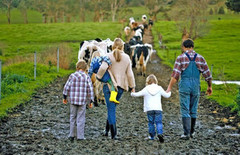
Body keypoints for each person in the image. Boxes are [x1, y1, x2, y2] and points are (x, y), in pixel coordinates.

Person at [166, 38, 212, 140]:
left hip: (185, 85)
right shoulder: (200, 58)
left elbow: (175, 76)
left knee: (185, 108)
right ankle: (192, 132)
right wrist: (209, 86)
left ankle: (186, 133)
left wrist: (169, 87)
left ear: (184, 47)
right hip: (196, 85)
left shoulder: (181, 58)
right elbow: (208, 75)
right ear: (192, 47)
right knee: (193, 108)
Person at [98, 38, 136, 139]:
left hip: (109, 87)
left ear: (113, 46)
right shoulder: (127, 58)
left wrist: (98, 77)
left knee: (111, 108)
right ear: (123, 46)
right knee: (112, 108)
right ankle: (106, 130)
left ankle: (113, 134)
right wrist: (132, 87)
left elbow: (102, 68)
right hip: (120, 88)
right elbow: (130, 74)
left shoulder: (108, 56)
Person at [131, 74, 171, 143]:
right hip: (158, 108)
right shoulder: (159, 88)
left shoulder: (146, 89)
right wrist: (169, 92)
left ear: (147, 81)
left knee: (151, 123)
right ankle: (160, 133)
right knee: (159, 122)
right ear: (155, 81)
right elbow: (167, 95)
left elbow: (137, 94)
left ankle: (152, 136)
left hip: (149, 109)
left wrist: (132, 92)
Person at [63, 60, 94, 142]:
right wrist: (90, 101)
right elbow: (90, 90)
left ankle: (71, 135)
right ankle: (80, 136)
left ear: (77, 67)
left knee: (72, 117)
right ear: (85, 68)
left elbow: (66, 87)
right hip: (82, 101)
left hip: (73, 100)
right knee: (81, 118)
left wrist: (65, 97)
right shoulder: (87, 77)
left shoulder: (72, 76)